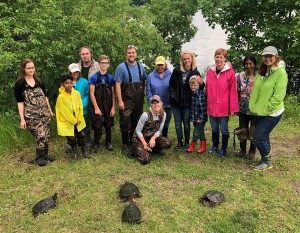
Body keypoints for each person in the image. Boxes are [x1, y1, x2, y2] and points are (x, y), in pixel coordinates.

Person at [249, 46, 288, 171]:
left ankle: (267, 161)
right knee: (261, 136)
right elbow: (256, 91)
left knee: (259, 137)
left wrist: (267, 108)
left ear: (276, 57)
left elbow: (278, 96)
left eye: (270, 56)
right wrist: (254, 106)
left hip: (272, 112)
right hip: (260, 111)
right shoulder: (263, 71)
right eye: (265, 56)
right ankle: (263, 159)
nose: (267, 58)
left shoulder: (280, 73)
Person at [14, 58, 55, 166]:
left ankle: (45, 154)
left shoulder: (39, 81)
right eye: (29, 68)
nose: (31, 70)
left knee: (46, 134)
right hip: (31, 115)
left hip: (44, 113)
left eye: (33, 67)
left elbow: (45, 97)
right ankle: (39, 157)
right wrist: (22, 119)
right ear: (23, 69)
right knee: (40, 135)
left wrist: (50, 111)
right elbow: (20, 102)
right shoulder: (19, 84)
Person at [114, 45, 147, 156]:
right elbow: (117, 85)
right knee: (125, 121)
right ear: (126, 54)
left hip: (138, 99)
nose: (131, 54)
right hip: (126, 99)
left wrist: (143, 97)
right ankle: (125, 144)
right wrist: (120, 101)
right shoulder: (121, 67)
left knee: (136, 120)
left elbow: (144, 82)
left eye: (133, 52)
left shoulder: (141, 66)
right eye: (129, 53)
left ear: (136, 54)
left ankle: (133, 141)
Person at [206, 48, 239, 157]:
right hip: (212, 105)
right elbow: (207, 89)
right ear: (214, 57)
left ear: (225, 58)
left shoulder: (230, 72)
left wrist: (233, 108)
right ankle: (215, 146)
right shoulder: (210, 71)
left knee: (224, 128)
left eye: (221, 57)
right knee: (214, 128)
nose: (218, 59)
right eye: (217, 57)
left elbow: (233, 91)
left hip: (223, 107)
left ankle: (223, 149)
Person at [169, 51, 204, 150]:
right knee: (177, 124)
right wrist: (173, 95)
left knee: (187, 124)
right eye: (184, 59)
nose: (186, 60)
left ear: (192, 59)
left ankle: (187, 142)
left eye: (188, 58)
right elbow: (170, 84)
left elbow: (200, 87)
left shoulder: (195, 72)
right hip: (176, 103)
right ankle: (180, 141)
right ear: (182, 60)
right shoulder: (176, 71)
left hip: (188, 103)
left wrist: (202, 83)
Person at [55, 74, 90, 160]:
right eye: (66, 83)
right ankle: (75, 152)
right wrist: (73, 120)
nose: (69, 85)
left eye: (71, 83)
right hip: (68, 120)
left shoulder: (77, 93)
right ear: (63, 84)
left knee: (81, 135)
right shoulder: (61, 97)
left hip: (78, 120)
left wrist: (79, 118)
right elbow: (63, 111)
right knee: (71, 137)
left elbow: (80, 107)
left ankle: (84, 150)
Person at [132, 95, 172, 164]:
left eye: (157, 102)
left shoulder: (164, 114)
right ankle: (136, 149)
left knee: (168, 143)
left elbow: (160, 130)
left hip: (151, 137)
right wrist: (144, 144)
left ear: (161, 103)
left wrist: (153, 138)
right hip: (140, 139)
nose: (156, 105)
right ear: (151, 105)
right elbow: (137, 131)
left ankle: (154, 149)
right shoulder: (145, 115)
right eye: (153, 103)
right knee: (146, 160)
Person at [89, 55, 116, 153]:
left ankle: (108, 143)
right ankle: (96, 143)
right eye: (102, 63)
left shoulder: (111, 78)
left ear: (108, 65)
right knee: (97, 124)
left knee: (108, 124)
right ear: (99, 64)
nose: (104, 65)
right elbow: (91, 93)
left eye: (106, 63)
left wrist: (113, 107)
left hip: (108, 104)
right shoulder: (94, 77)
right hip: (98, 103)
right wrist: (96, 107)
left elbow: (113, 93)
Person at [235, 55, 257, 159]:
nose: (248, 66)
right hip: (242, 109)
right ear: (244, 65)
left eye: (250, 63)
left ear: (254, 65)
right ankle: (242, 150)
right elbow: (237, 91)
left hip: (255, 110)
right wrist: (235, 107)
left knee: (253, 131)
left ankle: (252, 151)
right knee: (242, 130)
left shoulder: (259, 77)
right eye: (246, 64)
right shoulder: (239, 76)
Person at [146, 56, 172, 137]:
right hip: (156, 105)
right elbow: (148, 90)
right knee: (156, 123)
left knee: (166, 123)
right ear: (155, 65)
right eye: (158, 65)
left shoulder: (170, 74)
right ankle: (155, 138)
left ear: (165, 64)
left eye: (162, 65)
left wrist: (173, 100)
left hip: (168, 104)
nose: (160, 67)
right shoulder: (150, 76)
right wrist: (151, 102)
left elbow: (173, 89)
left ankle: (164, 137)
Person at [67, 63, 91, 148]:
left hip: (83, 110)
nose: (75, 73)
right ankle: (70, 143)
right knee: (71, 127)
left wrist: (82, 105)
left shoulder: (84, 81)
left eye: (77, 72)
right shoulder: (67, 82)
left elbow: (88, 95)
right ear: (69, 72)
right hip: (70, 110)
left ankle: (86, 141)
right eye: (73, 72)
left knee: (85, 127)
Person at [186, 76, 208, 153]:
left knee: (196, 132)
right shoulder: (192, 94)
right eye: (191, 85)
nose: (193, 87)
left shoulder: (200, 95)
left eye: (195, 85)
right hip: (195, 117)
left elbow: (203, 108)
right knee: (201, 132)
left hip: (201, 118)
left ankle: (192, 146)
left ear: (198, 85)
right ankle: (203, 146)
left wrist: (200, 118)